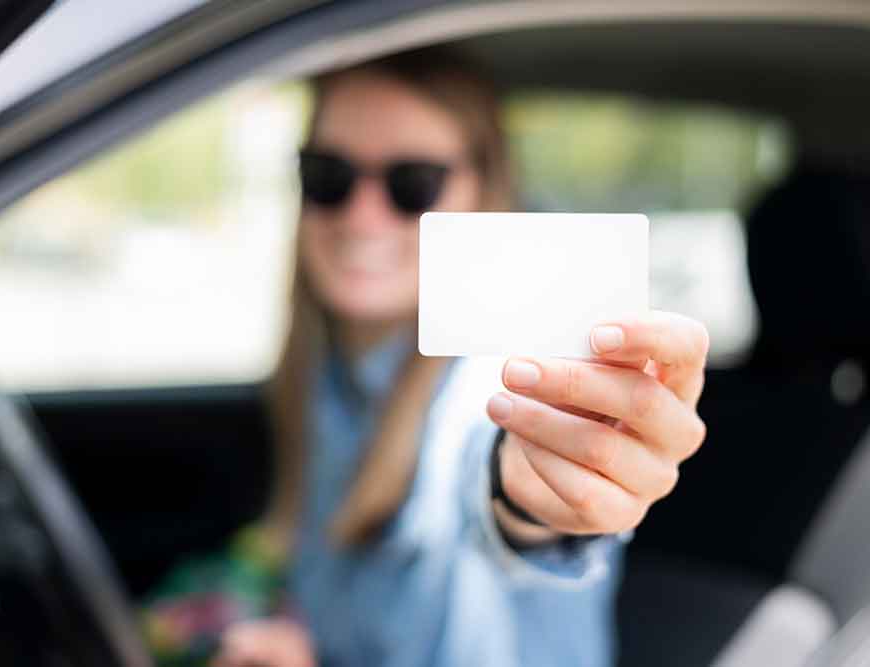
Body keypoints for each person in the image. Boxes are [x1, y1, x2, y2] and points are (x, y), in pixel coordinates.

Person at [187, 48, 707, 667]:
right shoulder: (327, 375)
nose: (361, 215)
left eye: (412, 184)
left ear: (484, 194)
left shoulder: (492, 380)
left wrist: (533, 488)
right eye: (328, 175)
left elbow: (499, 465)